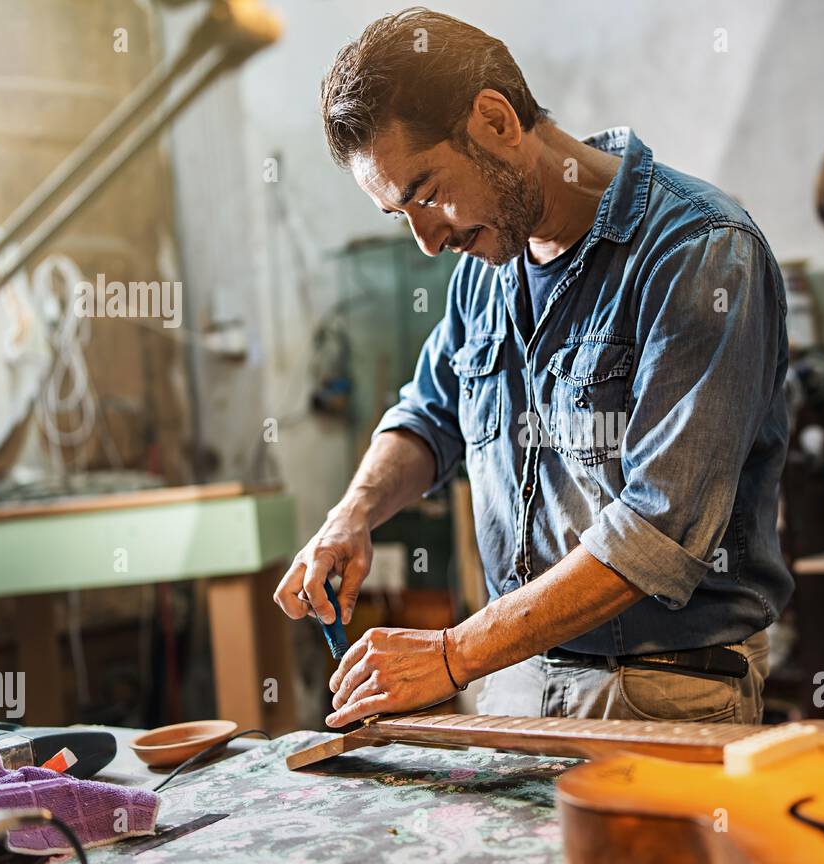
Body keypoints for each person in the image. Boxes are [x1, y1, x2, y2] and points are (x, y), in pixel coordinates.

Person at [274, 7, 793, 728]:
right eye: (401, 215)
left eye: (425, 193)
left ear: (495, 122)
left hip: (660, 687)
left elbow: (659, 531)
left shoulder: (700, 253)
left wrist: (452, 656)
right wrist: (352, 513)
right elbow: (430, 414)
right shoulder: (485, 269)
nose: (427, 240)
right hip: (514, 681)